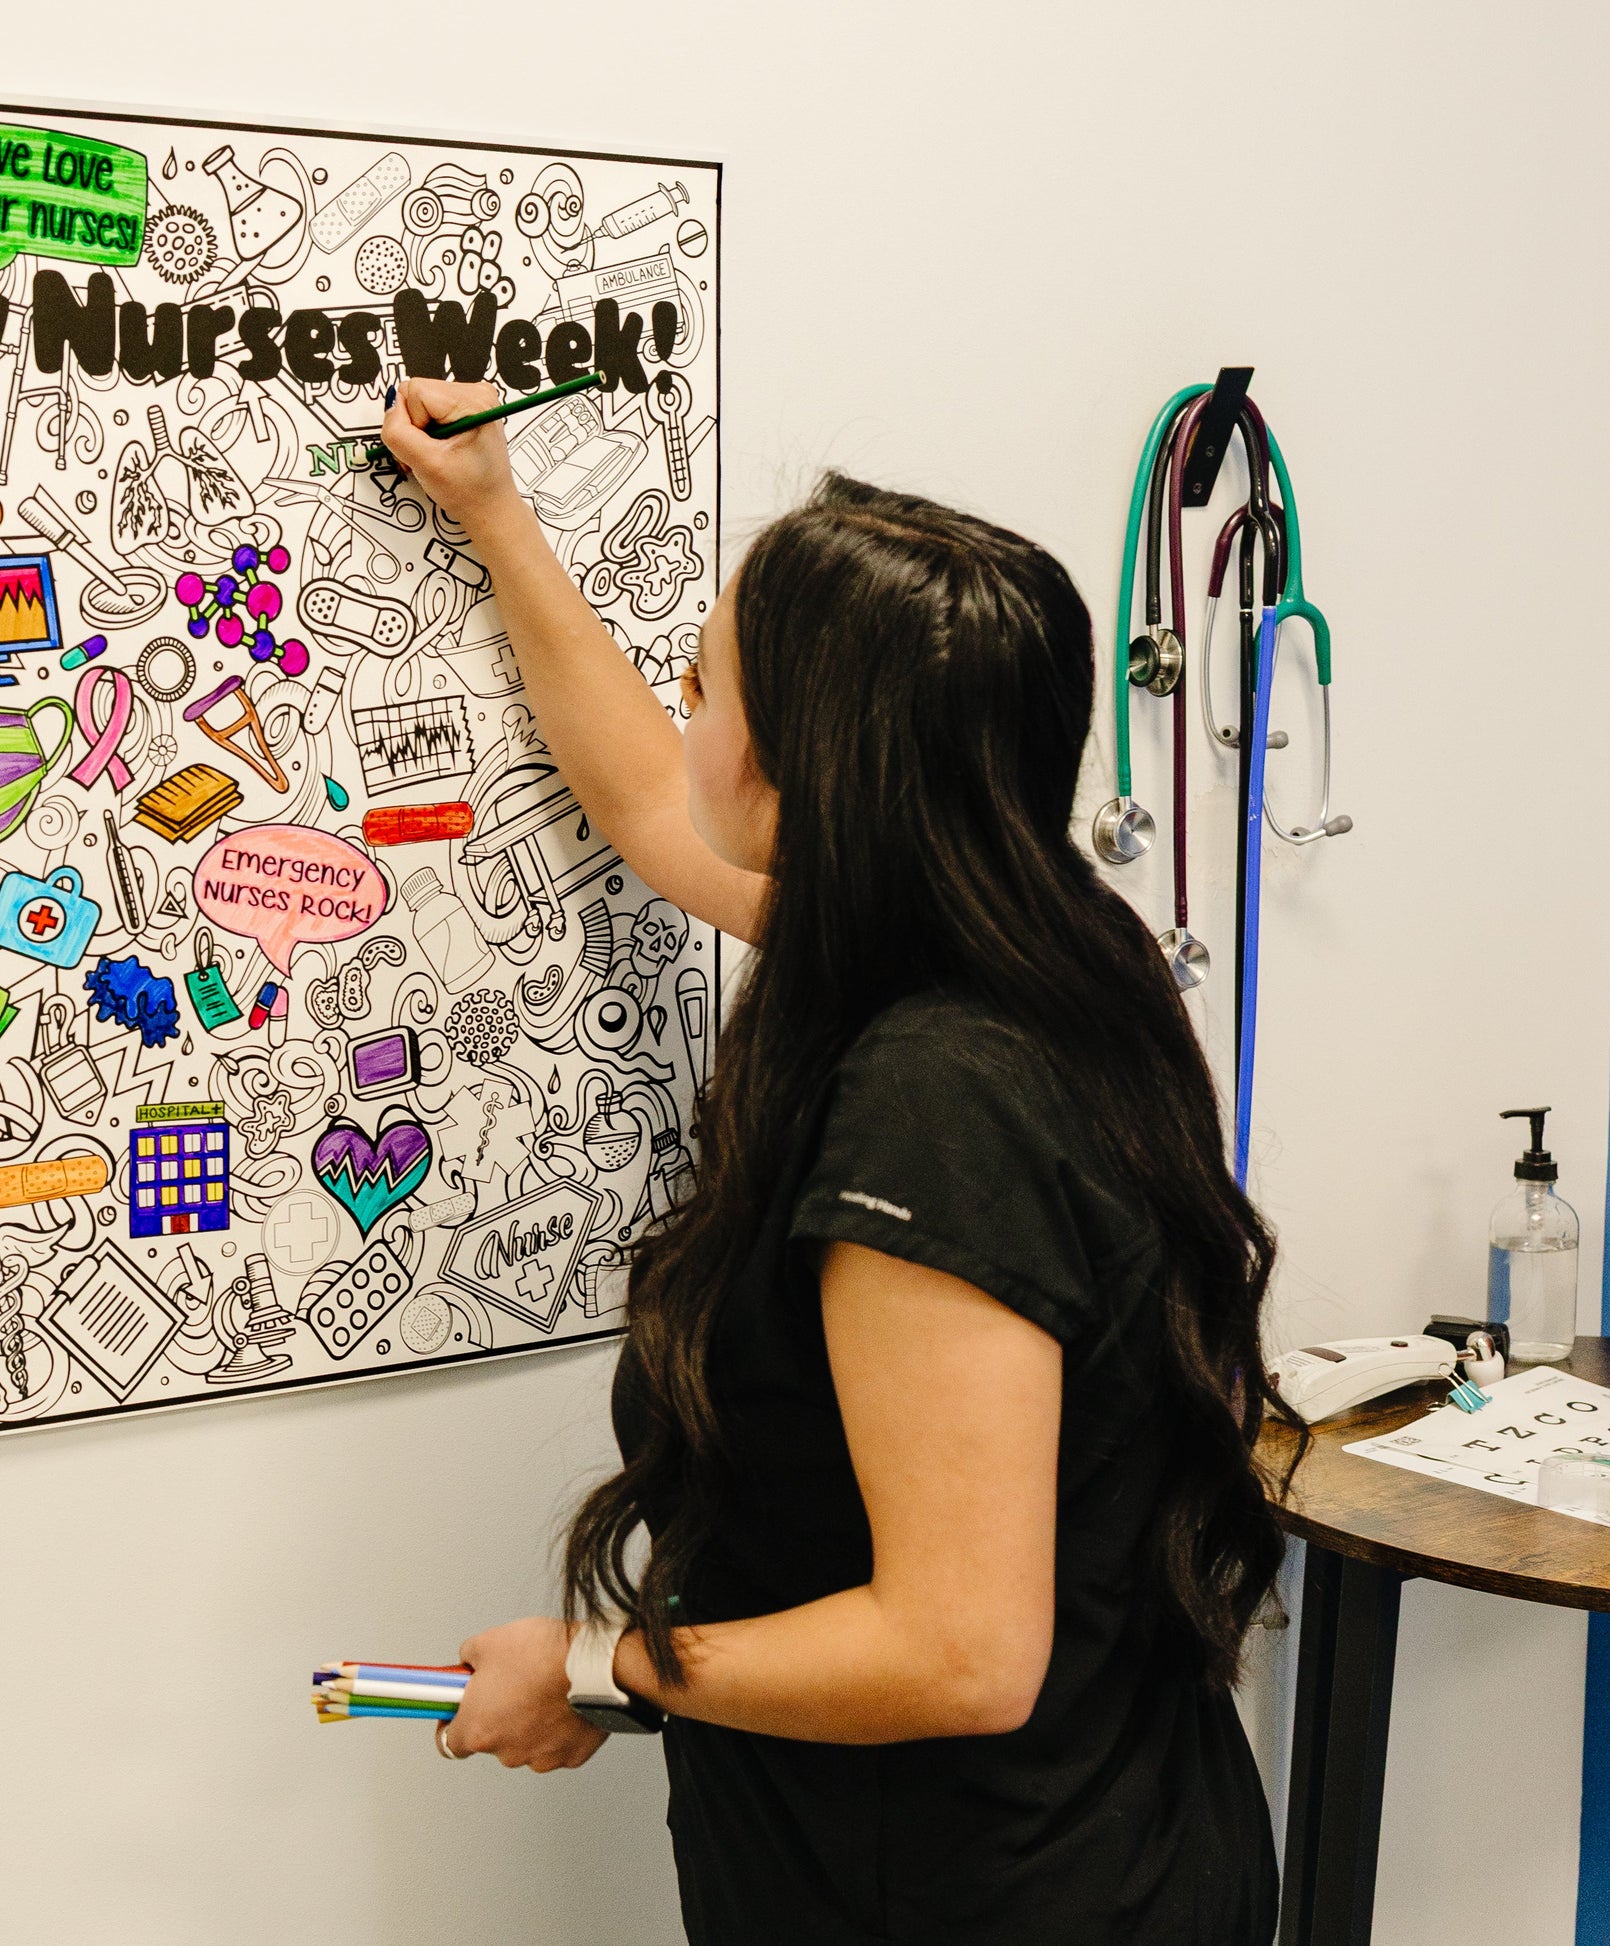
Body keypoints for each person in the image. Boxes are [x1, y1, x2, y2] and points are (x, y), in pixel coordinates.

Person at [377, 380, 1300, 1946]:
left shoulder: (933, 1099)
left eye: (707, 686)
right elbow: (648, 802)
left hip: (984, 1893)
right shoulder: (1032, 942)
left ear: (808, 763)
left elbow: (956, 1651)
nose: (685, 710)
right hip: (1099, 1837)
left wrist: (598, 1664)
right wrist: (494, 513)